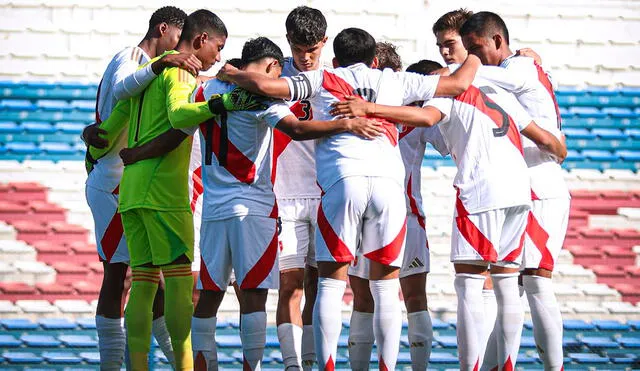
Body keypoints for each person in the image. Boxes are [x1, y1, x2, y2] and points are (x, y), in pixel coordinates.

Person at [217, 27, 481, 370]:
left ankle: (325, 365)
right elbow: (458, 84)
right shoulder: (396, 81)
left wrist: (234, 72)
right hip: (389, 185)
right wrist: (475, 49)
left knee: (329, 281)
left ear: (336, 58)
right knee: (386, 288)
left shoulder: (322, 78)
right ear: (374, 59)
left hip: (343, 183)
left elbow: (268, 87)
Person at [330, 64, 566, 371]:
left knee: (453, 287)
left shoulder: (439, 96)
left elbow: (431, 120)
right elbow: (545, 140)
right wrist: (560, 149)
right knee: (505, 286)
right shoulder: (498, 94)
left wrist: (372, 109)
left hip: (440, 202)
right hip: (517, 192)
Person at [188, 37, 383, 371]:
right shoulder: (259, 95)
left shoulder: (204, 92)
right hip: (253, 207)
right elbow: (296, 128)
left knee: (208, 296)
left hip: (214, 209)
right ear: (271, 67)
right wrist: (346, 123)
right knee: (253, 297)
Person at [87, 9, 231, 370]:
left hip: (130, 189)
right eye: (218, 47)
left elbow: (106, 131)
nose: (219, 55)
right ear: (197, 40)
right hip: (158, 192)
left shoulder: (148, 72)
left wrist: (89, 138)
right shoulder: (161, 66)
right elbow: (180, 116)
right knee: (176, 288)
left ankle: (139, 365)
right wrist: (223, 103)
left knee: (145, 284)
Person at [460, 11, 569, 371]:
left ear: (497, 41)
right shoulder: (521, 66)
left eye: (478, 49)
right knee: (506, 285)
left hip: (538, 183)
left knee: (535, 282)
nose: (474, 57)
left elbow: (483, 79)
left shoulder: (518, 67)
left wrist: (455, 70)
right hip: (525, 184)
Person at [344, 45, 447, 371]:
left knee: (364, 301)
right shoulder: (415, 117)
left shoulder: (359, 113)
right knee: (412, 299)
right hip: (405, 214)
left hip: (367, 216)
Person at [275, 7, 328, 370]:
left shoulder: (337, 76)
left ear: (324, 42)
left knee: (319, 285)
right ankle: (293, 365)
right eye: (298, 48)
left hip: (325, 196)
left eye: (312, 49)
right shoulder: (273, 72)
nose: (305, 57)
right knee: (289, 285)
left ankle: (311, 363)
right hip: (284, 195)